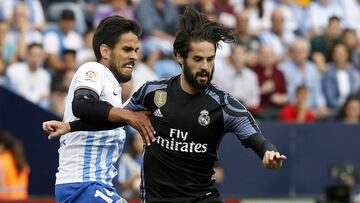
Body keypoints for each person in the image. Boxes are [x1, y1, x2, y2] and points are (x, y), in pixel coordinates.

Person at [43, 8, 286, 203]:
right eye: (198, 59)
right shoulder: (149, 92)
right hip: (142, 195)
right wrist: (73, 126)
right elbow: (106, 114)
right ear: (180, 57)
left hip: (202, 197)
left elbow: (255, 137)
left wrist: (267, 153)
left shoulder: (224, 105)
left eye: (210, 59)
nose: (205, 66)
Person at [42, 15, 155, 203]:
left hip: (96, 186)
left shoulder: (113, 89)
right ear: (105, 51)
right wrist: (128, 116)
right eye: (127, 49)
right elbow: (82, 105)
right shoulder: (93, 69)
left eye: (136, 50)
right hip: (82, 186)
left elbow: (98, 120)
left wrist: (71, 127)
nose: (134, 56)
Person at [0, 131, 30, 200]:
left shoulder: (2, 161)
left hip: (5, 200)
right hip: (22, 199)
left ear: (2, 145)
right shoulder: (19, 159)